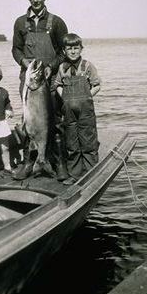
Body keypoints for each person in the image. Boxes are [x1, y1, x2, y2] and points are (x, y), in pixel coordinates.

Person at [11, 0, 68, 180]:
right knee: (28, 121)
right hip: (28, 80)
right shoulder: (20, 22)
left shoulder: (56, 22)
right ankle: (29, 163)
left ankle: (58, 163)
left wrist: (51, 67)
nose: (36, 0)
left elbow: (64, 51)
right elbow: (16, 49)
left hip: (51, 82)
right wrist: (24, 62)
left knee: (56, 121)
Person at [55, 33, 101, 185]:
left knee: (88, 140)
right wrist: (65, 98)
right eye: (69, 48)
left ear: (81, 49)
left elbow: (97, 85)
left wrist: (87, 96)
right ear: (64, 51)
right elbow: (58, 85)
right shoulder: (62, 68)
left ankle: (91, 172)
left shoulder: (87, 66)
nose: (73, 51)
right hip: (68, 112)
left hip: (85, 111)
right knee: (71, 142)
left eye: (76, 48)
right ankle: (75, 175)